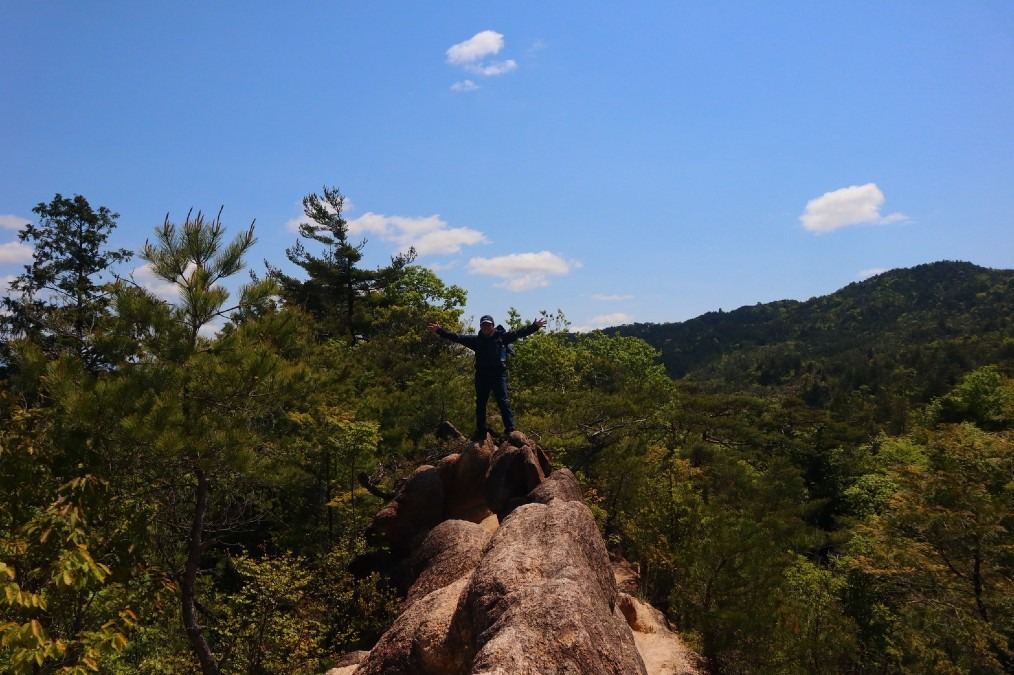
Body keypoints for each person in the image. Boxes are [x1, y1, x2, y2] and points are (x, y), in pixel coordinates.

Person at [427, 314, 547, 439]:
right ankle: (481, 430)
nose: (486, 327)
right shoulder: (476, 340)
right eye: (484, 325)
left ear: (493, 326)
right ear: (480, 326)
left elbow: (519, 333)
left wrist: (535, 327)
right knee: (480, 403)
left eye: (488, 325)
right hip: (482, 375)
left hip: (498, 375)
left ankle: (510, 429)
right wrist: (439, 331)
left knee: (503, 401)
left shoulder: (501, 338)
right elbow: (457, 337)